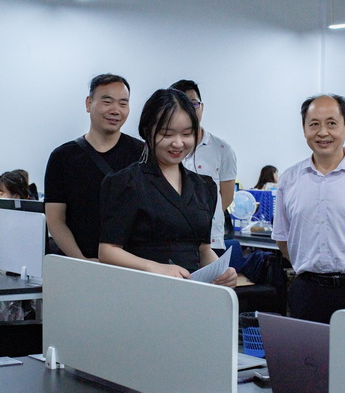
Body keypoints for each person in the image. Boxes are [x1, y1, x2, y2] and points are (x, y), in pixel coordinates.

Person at [98, 88, 237, 288]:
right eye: (167, 134)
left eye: (187, 134)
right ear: (148, 131)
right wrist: (154, 267)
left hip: (192, 292)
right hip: (141, 290)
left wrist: (222, 273)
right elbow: (108, 251)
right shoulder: (126, 182)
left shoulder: (204, 186)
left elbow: (204, 250)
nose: (178, 143)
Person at [272, 94, 345, 324]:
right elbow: (283, 239)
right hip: (308, 292)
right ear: (304, 129)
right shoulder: (289, 179)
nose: (323, 132)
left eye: (331, 123)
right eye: (314, 124)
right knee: (308, 348)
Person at [44, 74, 143, 260]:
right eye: (107, 102)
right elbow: (55, 220)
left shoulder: (142, 155)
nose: (116, 110)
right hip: (79, 263)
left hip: (132, 266)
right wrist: (83, 263)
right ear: (89, 103)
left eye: (123, 103)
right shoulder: (62, 157)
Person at [170, 80, 237, 250]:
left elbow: (226, 196)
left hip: (211, 238)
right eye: (182, 104)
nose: (189, 109)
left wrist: (202, 218)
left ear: (202, 106)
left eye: (194, 103)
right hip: (171, 238)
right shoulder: (164, 147)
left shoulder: (222, 149)